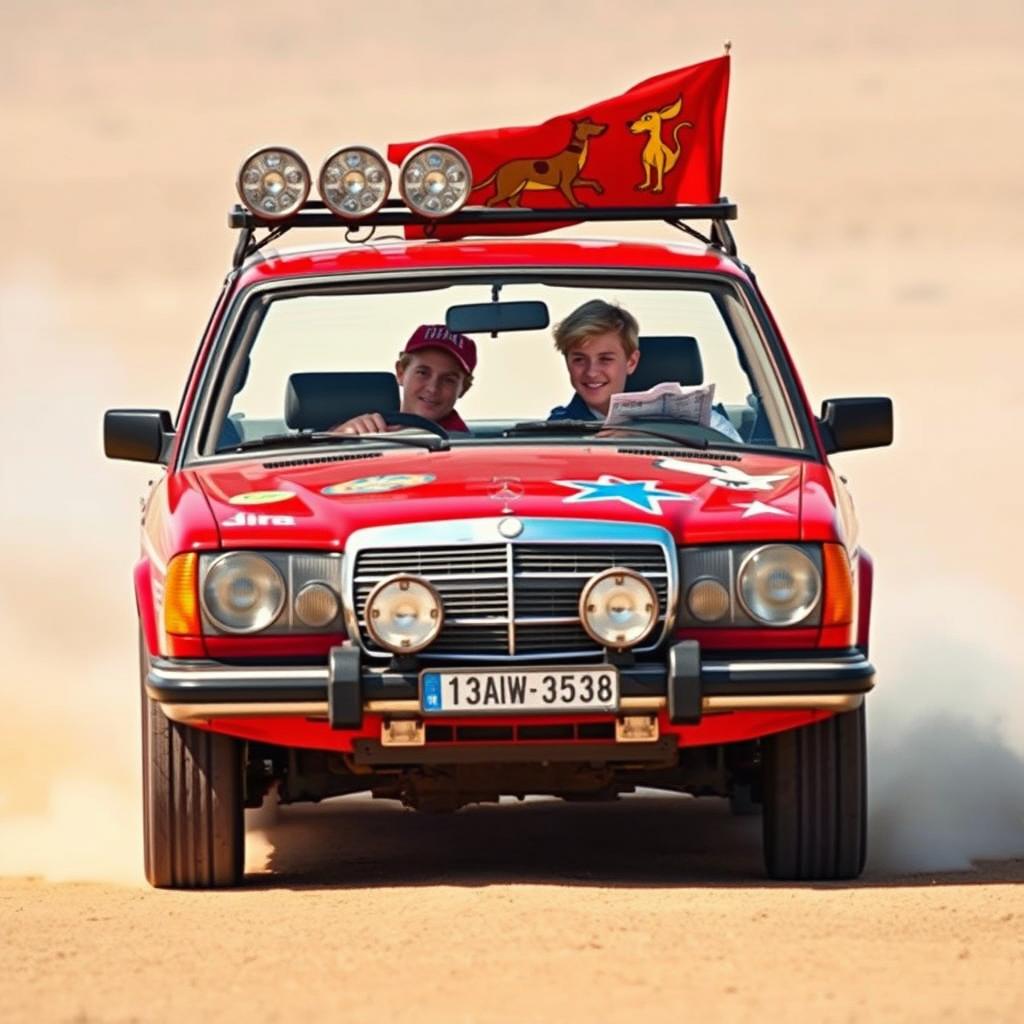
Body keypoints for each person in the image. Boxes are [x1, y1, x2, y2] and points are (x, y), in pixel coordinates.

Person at [547, 299, 742, 440]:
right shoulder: (553, 433)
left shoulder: (704, 420)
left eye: (605, 359)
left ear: (631, 362)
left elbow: (743, 470)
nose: (591, 372)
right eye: (579, 359)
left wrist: (648, 433)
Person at [335, 324, 476, 434]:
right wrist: (339, 437)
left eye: (448, 380)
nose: (433, 388)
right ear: (400, 372)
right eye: (422, 373)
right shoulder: (367, 426)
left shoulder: (462, 445)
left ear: (463, 388)